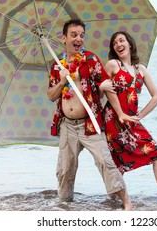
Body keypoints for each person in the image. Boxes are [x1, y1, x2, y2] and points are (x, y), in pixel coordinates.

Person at [47, 19, 133, 210]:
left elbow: (106, 85)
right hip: (67, 125)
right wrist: (62, 82)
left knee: (105, 161)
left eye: (81, 35)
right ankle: (64, 206)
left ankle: (127, 203)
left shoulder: (91, 60)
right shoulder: (56, 65)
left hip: (90, 123)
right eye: (74, 35)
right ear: (64, 38)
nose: (79, 39)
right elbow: (51, 95)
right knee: (65, 169)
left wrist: (119, 112)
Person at [101, 31, 157, 208]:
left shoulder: (141, 70)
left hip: (131, 121)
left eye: (121, 41)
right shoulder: (113, 65)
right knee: (117, 164)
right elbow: (102, 89)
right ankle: (117, 203)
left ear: (129, 44)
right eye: (114, 43)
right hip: (113, 120)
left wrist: (140, 116)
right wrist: (115, 107)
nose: (118, 44)